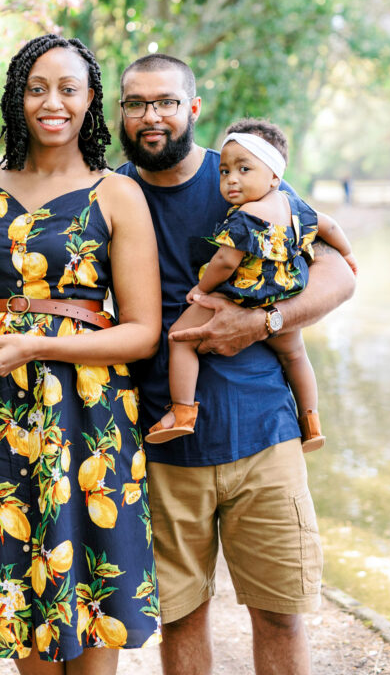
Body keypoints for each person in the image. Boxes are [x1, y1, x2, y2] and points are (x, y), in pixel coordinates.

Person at [116, 53, 356, 675]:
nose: (152, 116)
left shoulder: (245, 176)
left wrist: (265, 321)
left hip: (263, 434)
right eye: (136, 103)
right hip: (164, 442)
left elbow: (338, 274)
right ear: (121, 114)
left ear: (192, 109)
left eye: (166, 101)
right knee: (182, 616)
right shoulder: (111, 193)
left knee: (280, 612)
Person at [0, 34, 162, 672]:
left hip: (90, 416)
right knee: (24, 601)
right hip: (2, 410)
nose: (52, 103)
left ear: (90, 99)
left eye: (68, 89)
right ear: (17, 96)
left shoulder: (116, 194)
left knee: (92, 597)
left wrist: (37, 345)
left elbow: (143, 332)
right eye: (36, 87)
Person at [145, 116, 357, 450]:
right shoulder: (294, 206)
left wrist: (201, 290)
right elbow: (328, 226)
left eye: (244, 170)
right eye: (225, 171)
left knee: (181, 340)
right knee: (296, 355)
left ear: (274, 176)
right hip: (283, 294)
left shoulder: (246, 217)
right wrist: (347, 255)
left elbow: (226, 261)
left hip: (244, 295)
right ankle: (311, 421)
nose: (231, 180)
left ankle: (183, 412)